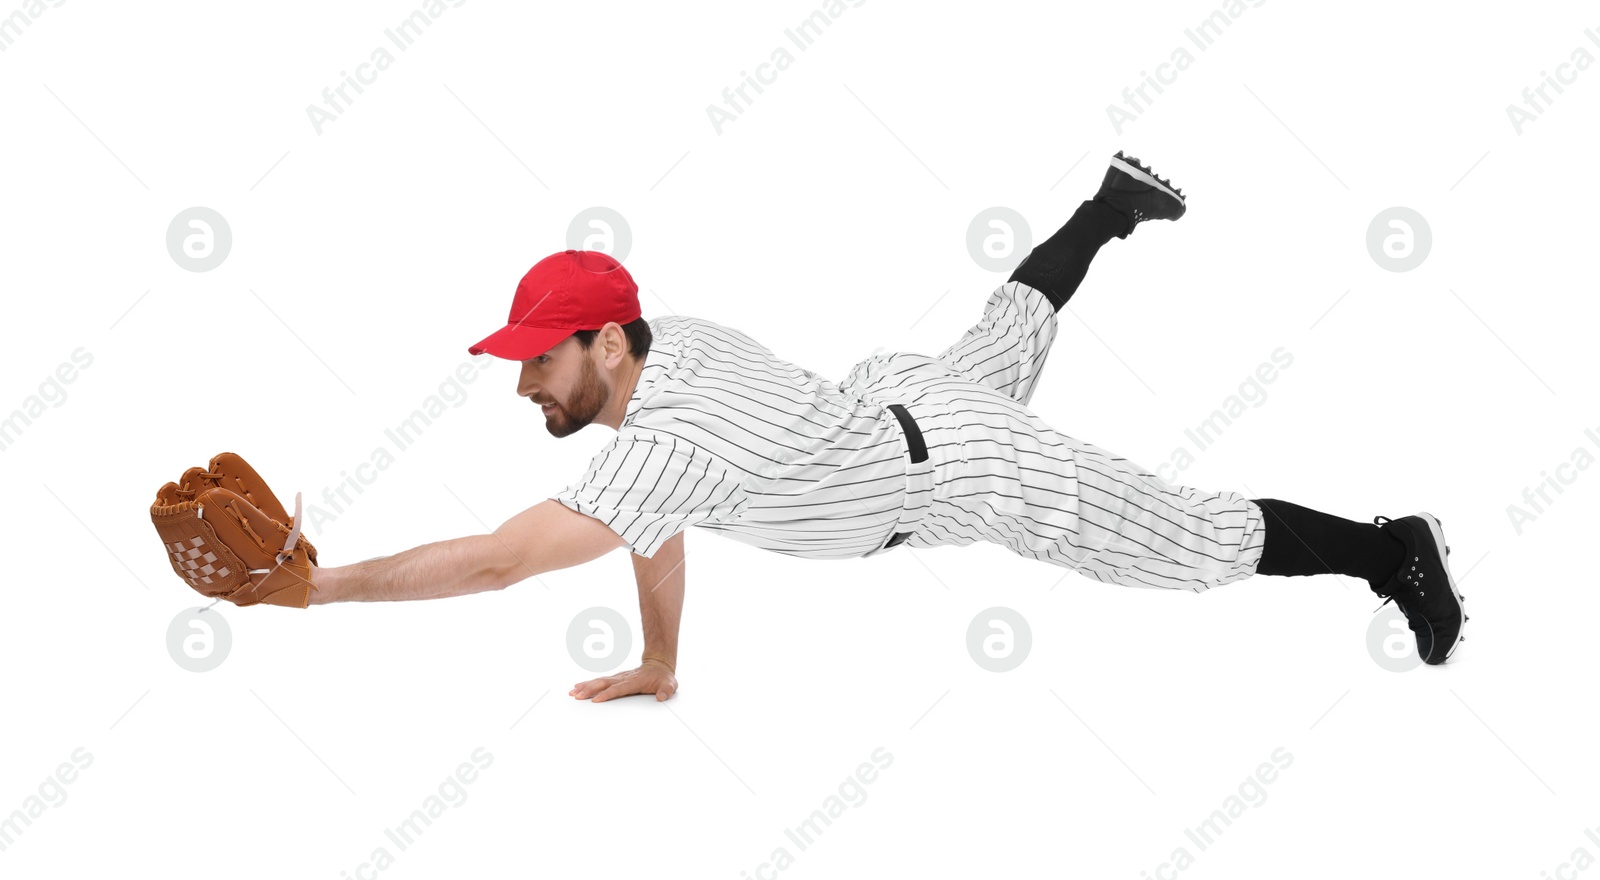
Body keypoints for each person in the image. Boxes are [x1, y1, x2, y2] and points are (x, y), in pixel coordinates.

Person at [285, 153, 1466, 701]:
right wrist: (663, 659)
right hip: (897, 403)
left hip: (961, 471)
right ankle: (1107, 206)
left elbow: (498, 561)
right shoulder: (669, 343)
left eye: (536, 358)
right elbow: (660, 511)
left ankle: (1390, 547)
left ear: (603, 342)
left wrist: (316, 588)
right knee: (1007, 330)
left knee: (1190, 540)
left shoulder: (654, 445)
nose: (520, 385)